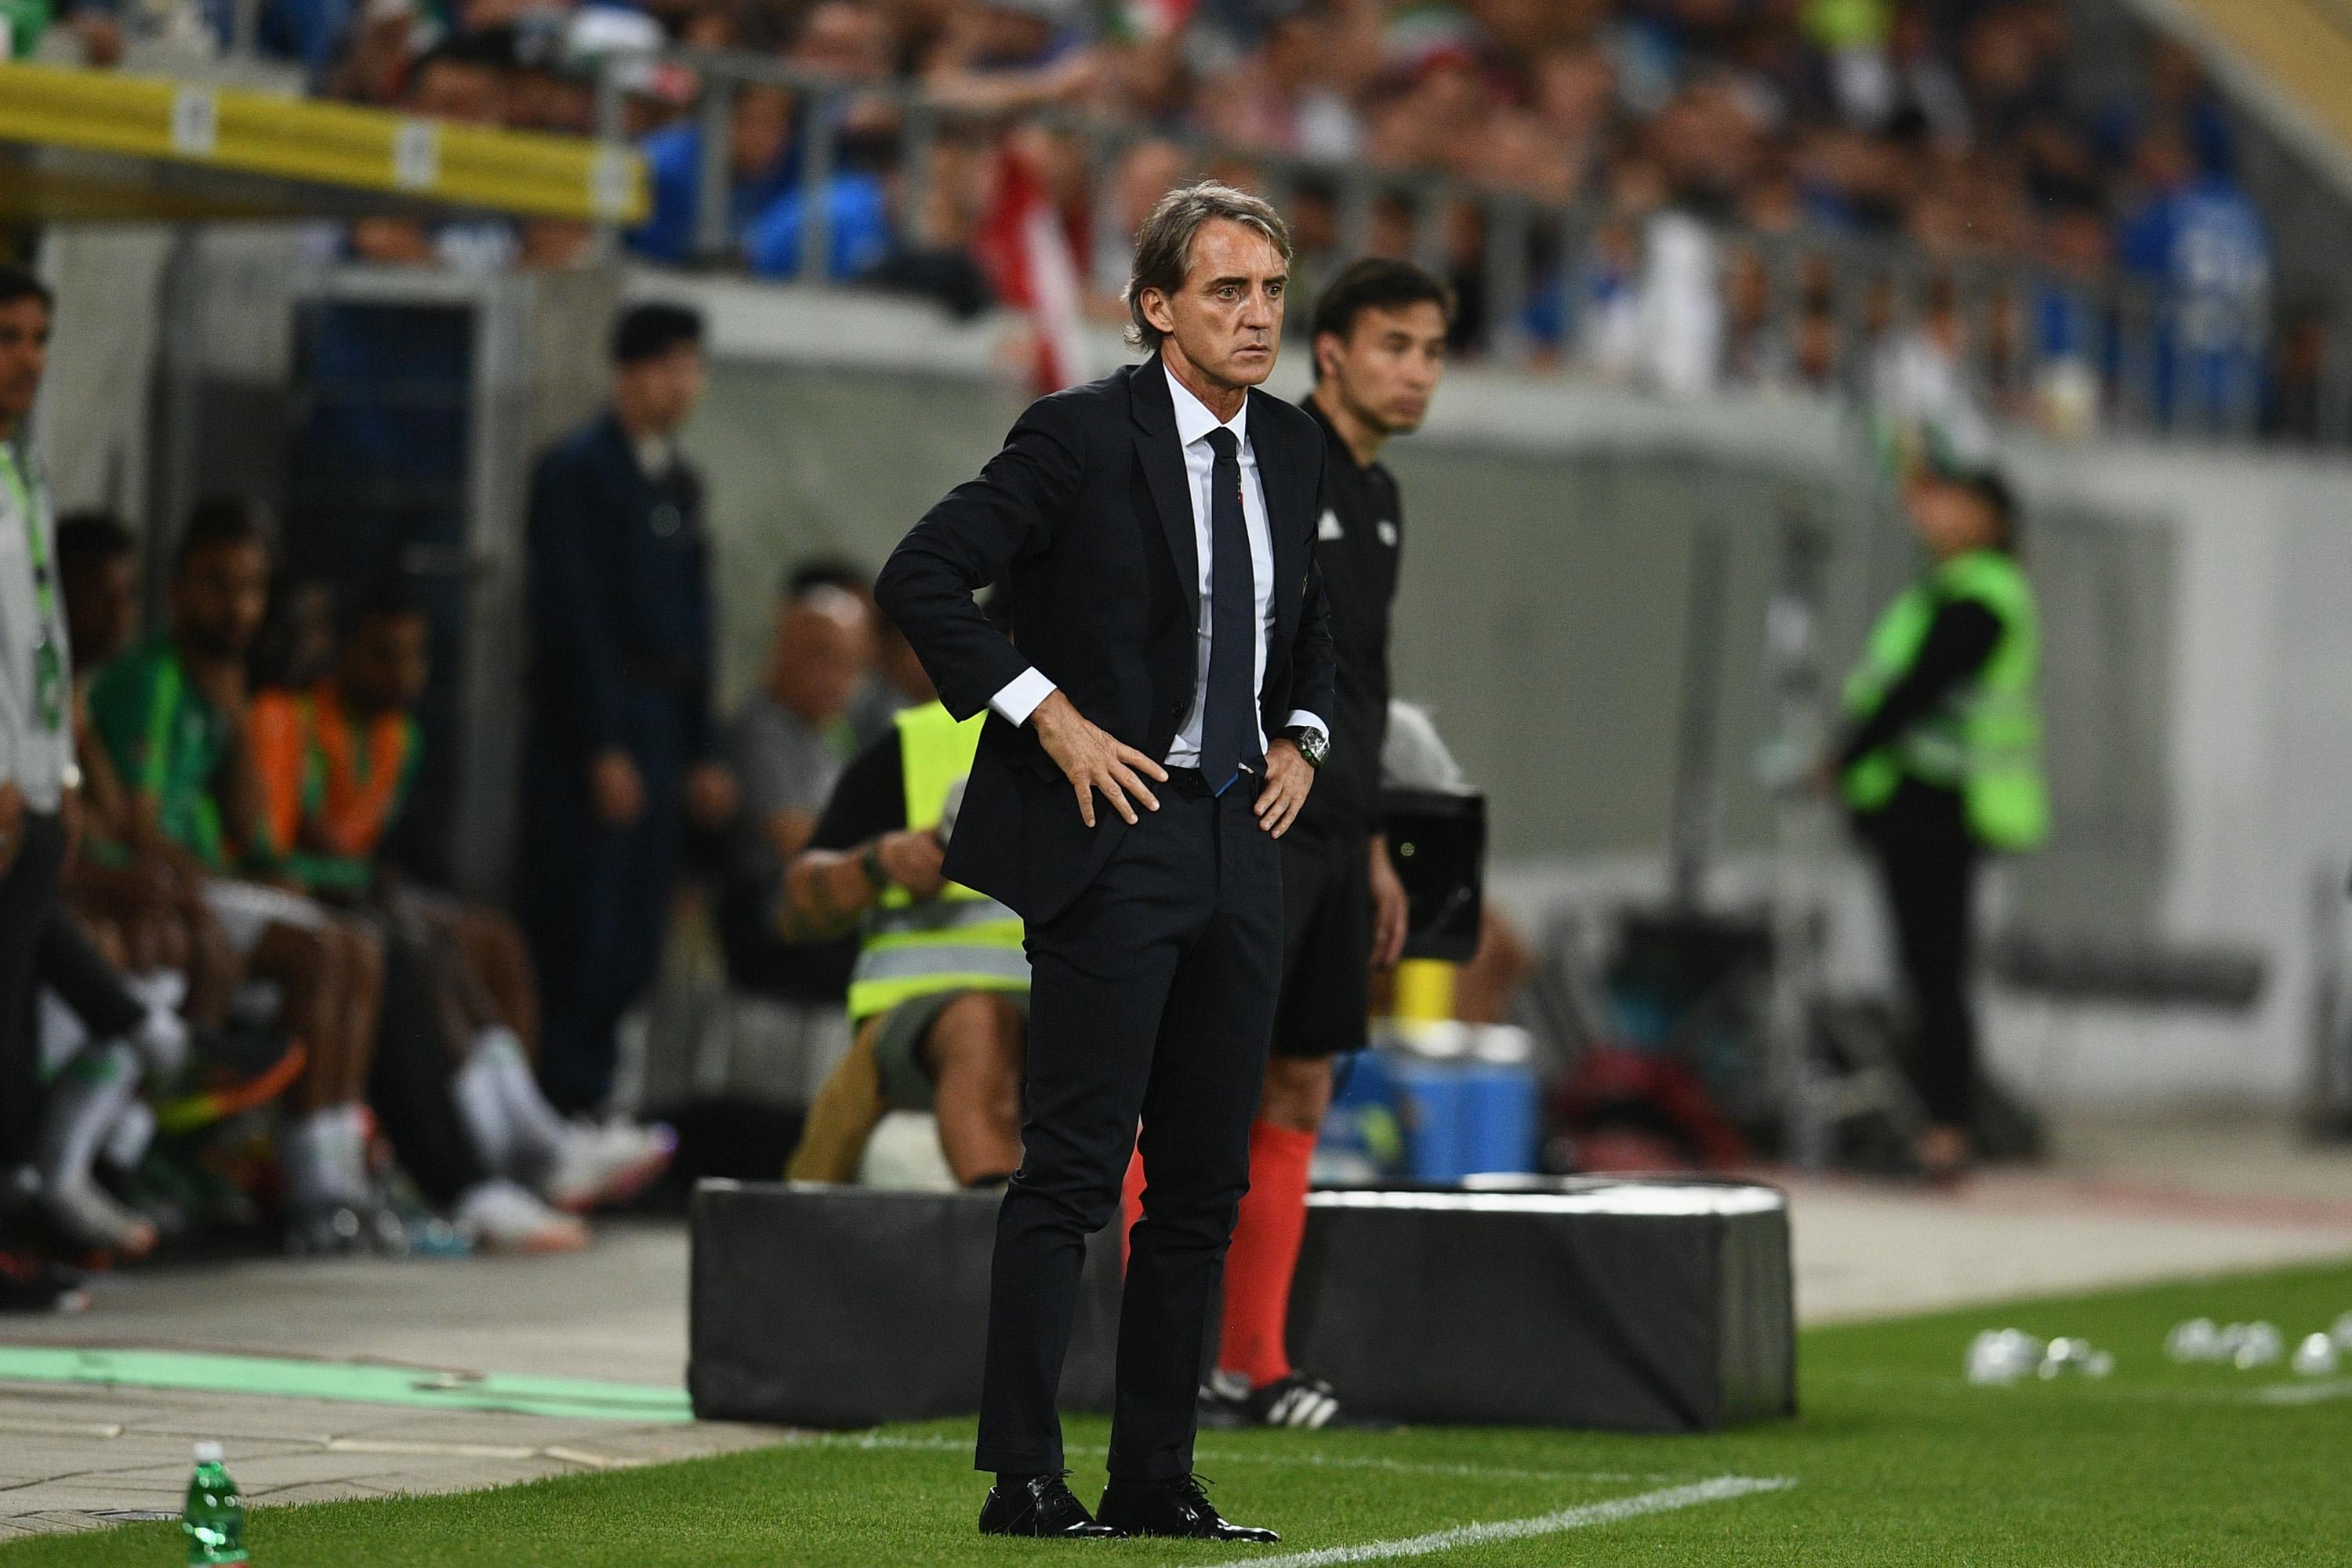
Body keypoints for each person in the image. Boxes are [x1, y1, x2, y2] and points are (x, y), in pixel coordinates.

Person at [877, 181, 1331, 1544]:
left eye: (1269, 292)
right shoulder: (1078, 437)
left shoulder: (1295, 451)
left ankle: (1154, 1478)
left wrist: (1302, 732)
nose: (1256, 318)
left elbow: (1307, 623)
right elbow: (921, 574)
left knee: (1201, 1184)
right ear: (1155, 308)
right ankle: (1023, 1479)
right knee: (1073, 1174)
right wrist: (1046, 713)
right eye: (1225, 293)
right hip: (1116, 832)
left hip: (1239, 838)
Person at [1179, 256, 1450, 1432]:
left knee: (1297, 1079)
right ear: (1329, 351)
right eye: (1396, 345)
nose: (1418, 372)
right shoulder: (1272, 459)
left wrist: (1378, 838)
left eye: (1435, 351)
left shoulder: (1382, 497)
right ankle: (1149, 1352)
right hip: (1254, 815)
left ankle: (1253, 1361)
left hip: (1337, 832)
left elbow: (1359, 682)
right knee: (1199, 1084)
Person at [248, 586, 673, 1247]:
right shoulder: (293, 717)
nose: (402, 675)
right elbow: (277, 850)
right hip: (292, 903)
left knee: (482, 937)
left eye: (414, 658)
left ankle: (526, 1130)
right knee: (402, 948)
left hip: (340, 896)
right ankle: (473, 1170)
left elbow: (358, 851)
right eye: (382, 656)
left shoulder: (399, 735)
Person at [87, 501, 397, 1253]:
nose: (237, 608)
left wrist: (232, 714)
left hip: (217, 888)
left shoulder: (218, 689)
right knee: (324, 953)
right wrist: (218, 887)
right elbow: (139, 832)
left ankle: (337, 1181)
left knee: (359, 947)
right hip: (172, 889)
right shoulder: (152, 681)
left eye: (252, 589)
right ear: (178, 590)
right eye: (218, 586)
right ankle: (308, 1195)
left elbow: (254, 834)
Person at [517, 303, 736, 1114]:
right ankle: (559, 1100)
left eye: (693, 368)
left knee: (639, 924)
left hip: (661, 724)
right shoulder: (578, 473)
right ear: (631, 373)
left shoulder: (677, 481)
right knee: (582, 918)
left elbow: (696, 625)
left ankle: (601, 1095)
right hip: (597, 728)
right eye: (672, 367)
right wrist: (601, 742)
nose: (686, 386)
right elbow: (572, 619)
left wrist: (702, 748)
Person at [1831, 465, 2048, 1185]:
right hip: (1917, 803)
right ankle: (1939, 1127)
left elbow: (1917, 690)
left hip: (1942, 806)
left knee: (1937, 975)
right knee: (1926, 974)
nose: (1937, 512)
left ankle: (1948, 1133)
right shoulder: (1945, 590)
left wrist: (1846, 756)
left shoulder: (1983, 597)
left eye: (1957, 502)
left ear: (1991, 520)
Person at [782, 699, 1028, 1187]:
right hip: (927, 1019)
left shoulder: (1157, 741)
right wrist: (880, 863)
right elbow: (797, 913)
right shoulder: (919, 742)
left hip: (1090, 1004)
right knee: (980, 1027)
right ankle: (997, 1227)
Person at [713, 582, 869, 1003]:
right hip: (777, 924)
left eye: (851, 665)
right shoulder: (761, 729)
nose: (839, 680)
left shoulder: (828, 738)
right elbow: (796, 839)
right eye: (822, 658)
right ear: (784, 650)